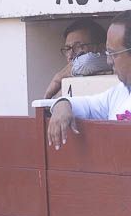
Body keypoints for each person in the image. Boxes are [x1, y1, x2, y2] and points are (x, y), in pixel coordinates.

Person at [48, 10, 131, 150]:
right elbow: (87, 105)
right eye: (107, 53)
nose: (109, 61)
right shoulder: (119, 93)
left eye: (113, 54)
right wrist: (62, 103)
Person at [44, 18, 107, 100]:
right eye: (67, 48)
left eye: (78, 47)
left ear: (101, 48)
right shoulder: (64, 85)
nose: (70, 55)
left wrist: (59, 77)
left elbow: (87, 62)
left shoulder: (111, 61)